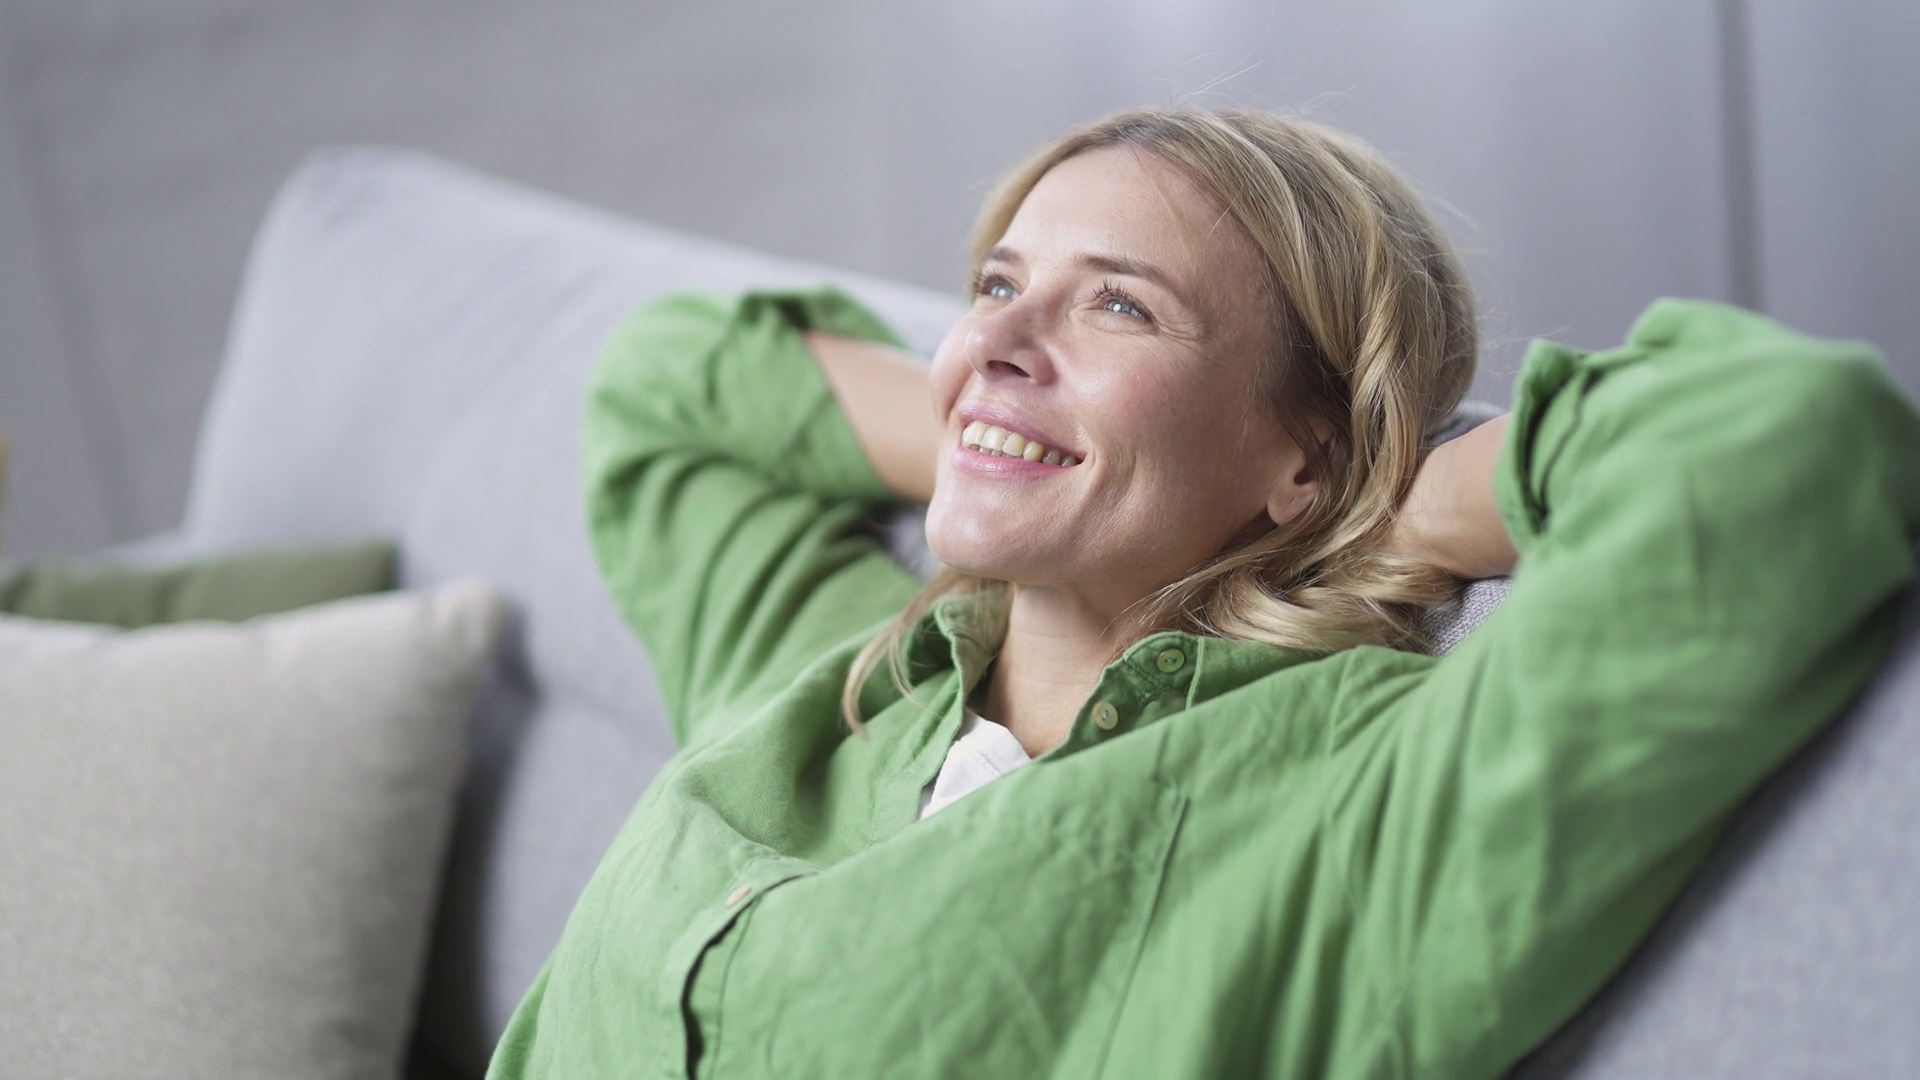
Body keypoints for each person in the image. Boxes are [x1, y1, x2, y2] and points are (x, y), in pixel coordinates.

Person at [487, 107, 1920, 1078]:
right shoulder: (834, 673)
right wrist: (1007, 441)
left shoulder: (1350, 810)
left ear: (1304, 451)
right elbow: (661, 383)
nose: (999, 339)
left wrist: (1387, 510)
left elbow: (1783, 447)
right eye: (995, 287)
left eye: (1119, 304)